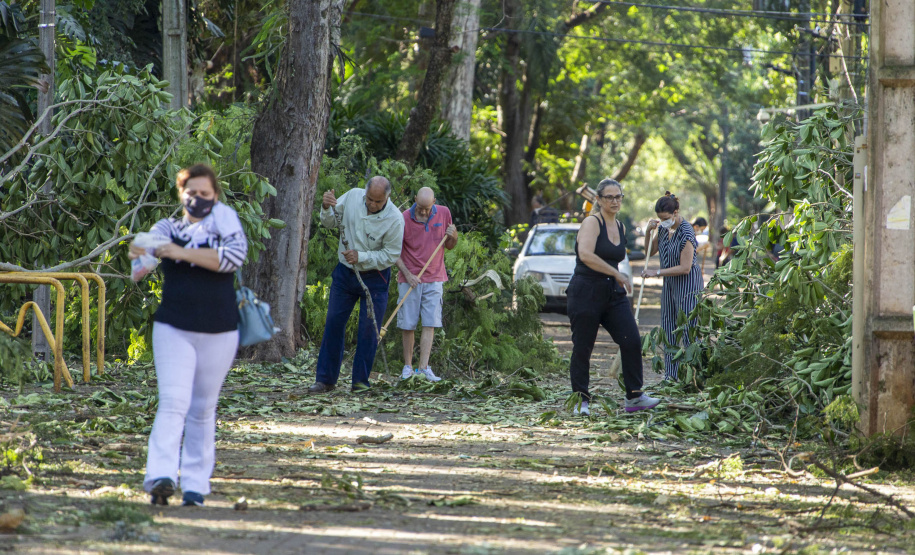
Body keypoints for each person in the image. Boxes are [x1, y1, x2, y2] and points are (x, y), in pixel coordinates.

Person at [129, 164, 249, 507]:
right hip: (174, 327)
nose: (197, 199)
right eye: (191, 193)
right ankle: (160, 477)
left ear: (216, 197)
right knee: (173, 403)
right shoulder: (168, 226)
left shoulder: (226, 224)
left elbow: (232, 258)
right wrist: (143, 250)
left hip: (220, 329)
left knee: (202, 408)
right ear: (181, 194)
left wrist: (179, 252)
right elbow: (138, 263)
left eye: (205, 194)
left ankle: (195, 485)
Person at [567, 178, 660, 416]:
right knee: (583, 347)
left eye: (619, 196)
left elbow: (643, 253)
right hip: (586, 290)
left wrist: (651, 233)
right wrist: (616, 273)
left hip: (612, 293)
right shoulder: (592, 222)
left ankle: (635, 397)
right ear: (598, 200)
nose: (615, 201)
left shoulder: (620, 227)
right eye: (610, 197)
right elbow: (586, 255)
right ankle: (581, 400)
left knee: (631, 340)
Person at [309, 177, 405, 394]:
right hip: (345, 273)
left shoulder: (395, 220)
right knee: (333, 323)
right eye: (369, 199)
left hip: (375, 277)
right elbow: (331, 221)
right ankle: (325, 380)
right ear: (365, 193)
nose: (372, 204)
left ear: (387, 199)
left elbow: (390, 255)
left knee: (369, 331)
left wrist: (361, 256)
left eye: (378, 202)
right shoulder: (352, 196)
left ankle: (360, 383)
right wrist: (326, 207)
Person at [395, 187, 459, 382]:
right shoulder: (403, 218)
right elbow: (393, 252)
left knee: (430, 323)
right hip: (409, 279)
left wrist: (453, 235)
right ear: (414, 199)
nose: (423, 212)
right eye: (420, 207)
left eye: (426, 208)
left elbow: (449, 245)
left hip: (435, 277)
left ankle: (423, 368)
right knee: (408, 324)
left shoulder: (444, 212)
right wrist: (408, 274)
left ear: (434, 202)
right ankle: (407, 368)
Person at [643, 192, 705, 382]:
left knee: (688, 327)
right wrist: (648, 231)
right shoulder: (662, 229)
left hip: (688, 284)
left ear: (676, 212)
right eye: (660, 219)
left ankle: (693, 374)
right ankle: (671, 375)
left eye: (666, 218)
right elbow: (649, 251)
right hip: (669, 283)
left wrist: (658, 272)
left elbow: (685, 268)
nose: (663, 222)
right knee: (668, 325)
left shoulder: (687, 231)